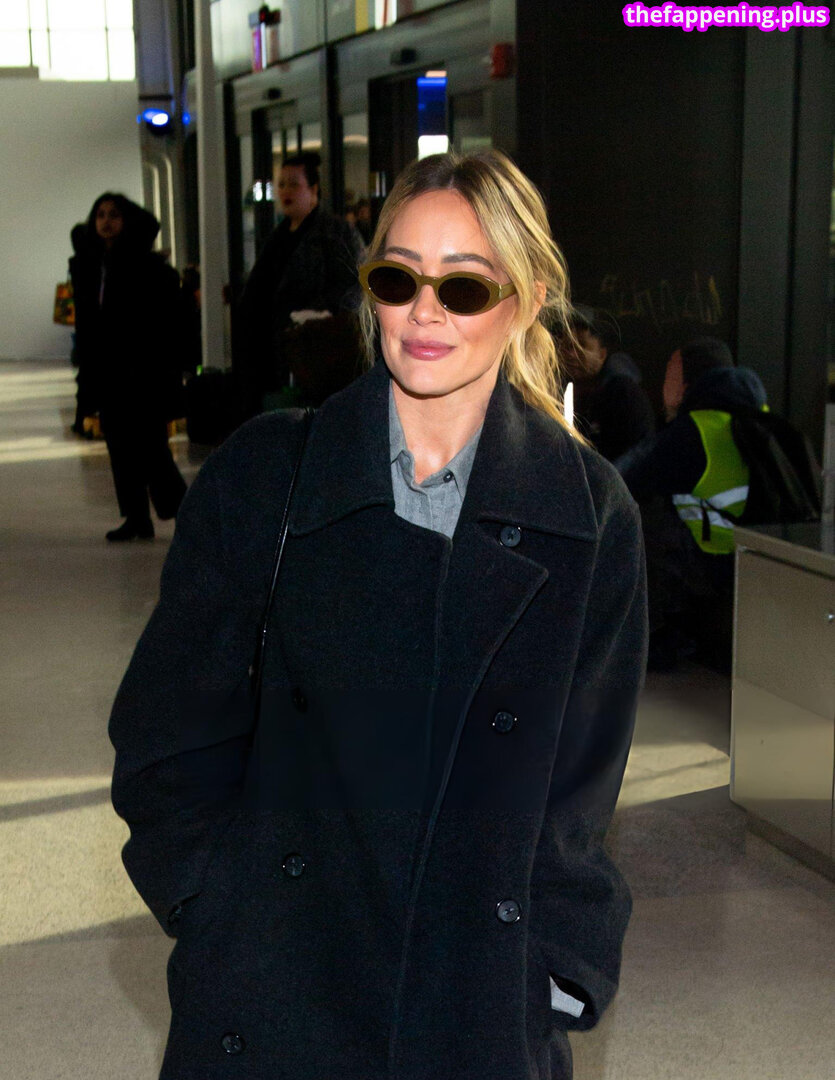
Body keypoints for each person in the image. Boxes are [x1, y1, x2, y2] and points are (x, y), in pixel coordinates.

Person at [109, 150, 647, 1080]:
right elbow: (166, 729)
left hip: (472, 994)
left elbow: (580, 783)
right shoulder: (267, 477)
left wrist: (553, 969)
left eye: (463, 287)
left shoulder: (586, 514)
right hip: (278, 977)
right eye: (398, 279)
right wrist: (216, 905)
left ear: (525, 300)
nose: (424, 311)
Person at [616, 336, 767, 669]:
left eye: (670, 371)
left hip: (716, 568)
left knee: (634, 524)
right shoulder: (759, 416)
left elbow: (619, 481)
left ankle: (655, 644)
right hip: (761, 564)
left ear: (685, 382)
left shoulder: (693, 431)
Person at [70, 193, 187, 541]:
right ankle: (136, 517)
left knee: (151, 448)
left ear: (128, 221)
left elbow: (164, 323)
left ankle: (186, 509)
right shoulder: (91, 265)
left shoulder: (147, 266)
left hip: (142, 372)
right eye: (101, 215)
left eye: (114, 215)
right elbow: (88, 322)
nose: (106, 221)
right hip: (108, 371)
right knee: (119, 446)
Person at [236, 151, 365, 416]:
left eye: (294, 184)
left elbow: (352, 286)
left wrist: (314, 313)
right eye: (281, 184)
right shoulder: (277, 237)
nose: (286, 191)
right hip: (273, 352)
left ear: (313, 189)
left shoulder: (335, 232)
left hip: (315, 350)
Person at [559, 306, 655, 461]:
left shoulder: (623, 394)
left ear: (602, 354)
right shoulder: (562, 390)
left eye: (581, 345)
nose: (570, 354)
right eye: (566, 345)